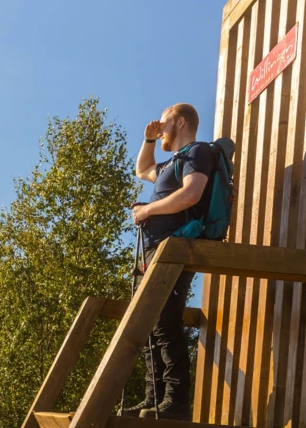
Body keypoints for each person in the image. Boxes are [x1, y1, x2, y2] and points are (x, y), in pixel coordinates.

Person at [121, 103, 212, 421]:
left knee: (166, 324)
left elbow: (192, 195)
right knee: (150, 323)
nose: (159, 127)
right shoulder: (172, 162)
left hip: (174, 251)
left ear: (181, 122)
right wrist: (148, 140)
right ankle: (153, 400)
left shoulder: (196, 153)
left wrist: (146, 211)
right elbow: (142, 170)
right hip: (155, 253)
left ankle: (174, 402)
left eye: (163, 122)